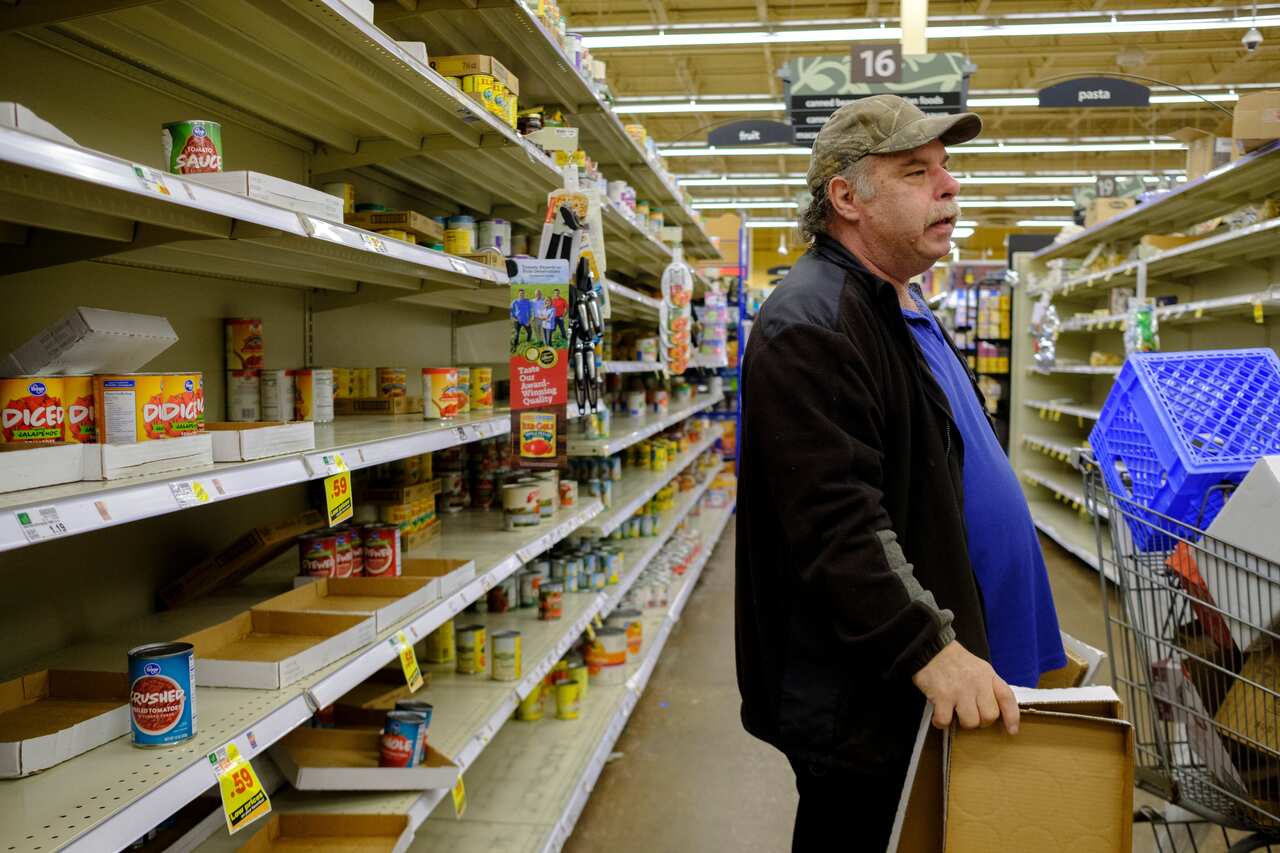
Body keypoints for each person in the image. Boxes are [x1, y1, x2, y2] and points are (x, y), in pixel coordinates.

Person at [734, 94, 1066, 851]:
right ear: (846, 198)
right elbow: (836, 525)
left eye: (946, 168)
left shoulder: (896, 302)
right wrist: (929, 648)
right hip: (867, 702)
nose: (948, 185)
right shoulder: (810, 325)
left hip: (926, 689)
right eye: (917, 171)